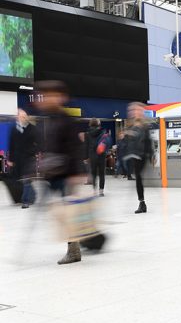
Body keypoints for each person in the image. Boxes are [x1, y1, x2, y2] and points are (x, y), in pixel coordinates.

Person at [35, 81, 105, 264]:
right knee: (63, 212)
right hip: (54, 173)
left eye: (51, 94)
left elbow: (74, 148)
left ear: (60, 97)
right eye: (45, 95)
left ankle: (75, 249)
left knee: (68, 212)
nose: (47, 98)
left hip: (66, 174)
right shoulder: (49, 118)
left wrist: (77, 174)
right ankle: (85, 240)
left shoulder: (65, 119)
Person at [123, 102, 153, 214]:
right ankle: (142, 203)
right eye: (134, 110)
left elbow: (149, 142)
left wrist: (151, 155)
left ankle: (142, 203)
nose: (135, 112)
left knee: (139, 178)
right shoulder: (131, 125)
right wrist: (127, 135)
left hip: (142, 155)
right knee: (138, 179)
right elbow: (127, 141)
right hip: (134, 155)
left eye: (137, 110)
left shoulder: (144, 126)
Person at [7, 109, 38, 208]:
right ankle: (33, 195)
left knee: (26, 179)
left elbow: (38, 143)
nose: (24, 117)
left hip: (29, 158)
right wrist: (10, 159)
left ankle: (26, 201)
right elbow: (11, 144)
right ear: (17, 117)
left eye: (25, 116)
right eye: (22, 116)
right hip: (17, 159)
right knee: (21, 179)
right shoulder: (13, 128)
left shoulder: (32, 128)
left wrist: (34, 152)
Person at [84, 118, 109, 196]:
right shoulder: (103, 132)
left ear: (90, 124)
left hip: (92, 156)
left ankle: (94, 191)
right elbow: (106, 144)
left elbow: (86, 146)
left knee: (93, 173)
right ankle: (101, 191)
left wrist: (86, 157)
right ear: (98, 124)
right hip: (101, 155)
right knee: (102, 174)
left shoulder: (87, 134)